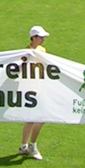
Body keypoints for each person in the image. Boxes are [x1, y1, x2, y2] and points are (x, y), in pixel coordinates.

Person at [18, 26, 50, 160]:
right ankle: (31, 145)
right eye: (40, 37)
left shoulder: (42, 50)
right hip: (29, 89)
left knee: (33, 118)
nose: (43, 40)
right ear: (34, 38)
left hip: (40, 87)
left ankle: (24, 146)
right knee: (37, 118)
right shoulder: (26, 53)